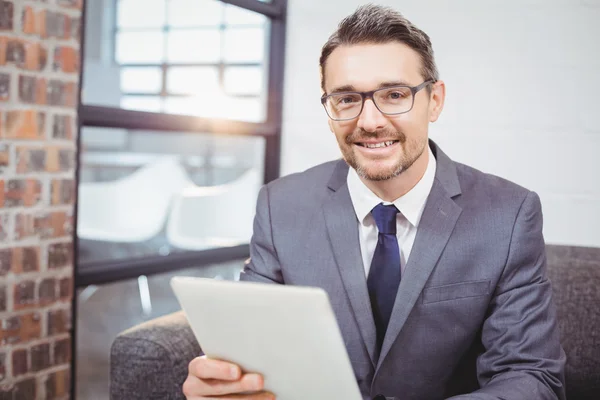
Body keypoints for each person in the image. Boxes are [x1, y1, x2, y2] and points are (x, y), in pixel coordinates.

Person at [182, 4, 566, 400]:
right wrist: (223, 382)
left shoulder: (509, 215)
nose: (369, 121)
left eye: (394, 94)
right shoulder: (280, 206)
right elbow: (248, 345)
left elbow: (531, 377)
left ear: (434, 100)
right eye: (347, 99)